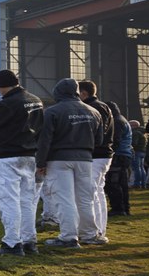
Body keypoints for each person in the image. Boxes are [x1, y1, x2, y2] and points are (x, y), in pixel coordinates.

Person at [0, 69, 44, 256]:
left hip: (8, 158)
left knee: (9, 201)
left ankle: (12, 243)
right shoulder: (35, 100)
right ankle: (30, 242)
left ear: (2, 86)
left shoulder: (8, 104)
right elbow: (20, 116)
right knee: (27, 201)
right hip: (30, 156)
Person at [38, 78, 103, 249]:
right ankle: (89, 234)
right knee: (85, 199)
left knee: (64, 198)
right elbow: (100, 140)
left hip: (59, 160)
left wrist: (41, 162)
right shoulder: (93, 112)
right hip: (85, 159)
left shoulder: (52, 112)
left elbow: (45, 140)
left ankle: (68, 237)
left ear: (57, 93)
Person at [78, 80, 114, 243]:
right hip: (103, 155)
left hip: (95, 155)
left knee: (90, 193)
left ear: (83, 93)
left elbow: (97, 132)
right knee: (97, 192)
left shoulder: (93, 108)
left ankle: (94, 232)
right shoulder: (103, 106)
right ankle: (98, 229)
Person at [104, 101, 132, 216]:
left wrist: (108, 151)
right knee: (122, 183)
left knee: (113, 183)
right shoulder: (122, 119)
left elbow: (115, 140)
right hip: (125, 154)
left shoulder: (116, 122)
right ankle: (124, 207)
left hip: (118, 155)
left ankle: (118, 208)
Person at [130, 120, 147, 188]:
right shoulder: (142, 132)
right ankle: (143, 183)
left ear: (134, 126)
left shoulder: (135, 133)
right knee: (141, 168)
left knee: (136, 168)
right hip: (142, 151)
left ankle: (137, 184)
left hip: (136, 151)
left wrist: (130, 146)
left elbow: (134, 143)